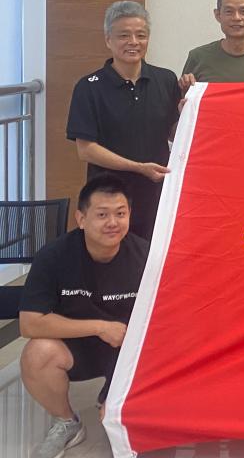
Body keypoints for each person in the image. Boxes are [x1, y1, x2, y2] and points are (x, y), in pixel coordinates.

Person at [20, 175, 149, 458]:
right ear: (81, 218)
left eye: (120, 214)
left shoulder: (146, 256)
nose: (113, 222)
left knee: (117, 424)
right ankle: (67, 423)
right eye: (102, 215)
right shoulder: (53, 256)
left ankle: (112, 400)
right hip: (76, 346)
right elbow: (30, 323)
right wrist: (100, 327)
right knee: (37, 353)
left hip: (127, 352)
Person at [66, 1, 179, 240]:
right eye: (124, 35)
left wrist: (188, 111)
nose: (133, 42)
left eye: (141, 35)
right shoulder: (88, 87)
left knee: (153, 253)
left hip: (157, 195)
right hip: (108, 198)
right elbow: (86, 150)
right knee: (110, 255)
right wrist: (138, 167)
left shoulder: (167, 80)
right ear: (108, 40)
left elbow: (174, 134)